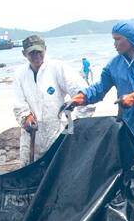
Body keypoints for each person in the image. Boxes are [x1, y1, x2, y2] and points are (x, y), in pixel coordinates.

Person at [11, 35, 87, 164]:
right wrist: (25, 117)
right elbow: (18, 103)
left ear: (45, 49)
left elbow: (84, 95)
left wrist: (73, 124)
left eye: (39, 51)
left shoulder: (58, 68)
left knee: (59, 173)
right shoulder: (19, 74)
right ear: (24, 54)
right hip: (31, 137)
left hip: (57, 135)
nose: (36, 56)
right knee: (29, 175)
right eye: (32, 53)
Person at [68, 22, 134, 138]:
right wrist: (80, 98)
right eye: (113, 40)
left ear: (131, 39)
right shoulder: (114, 65)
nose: (114, 44)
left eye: (118, 39)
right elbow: (100, 88)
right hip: (129, 125)